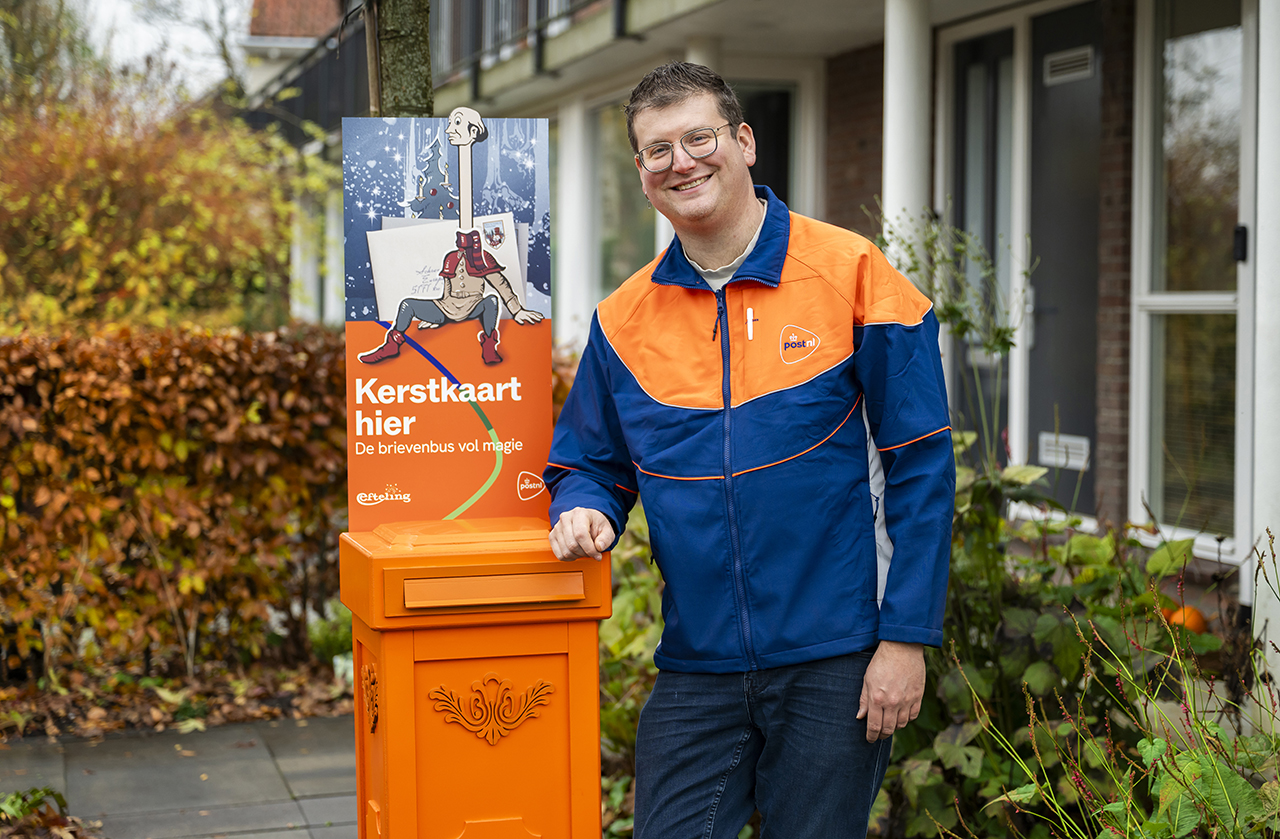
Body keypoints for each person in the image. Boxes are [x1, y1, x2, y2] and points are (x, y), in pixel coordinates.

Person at [544, 62, 954, 838]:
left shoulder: (853, 272)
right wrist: (584, 508)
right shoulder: (622, 320)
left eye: (699, 137)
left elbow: (923, 467)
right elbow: (588, 461)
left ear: (744, 142)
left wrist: (906, 639)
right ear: (641, 174)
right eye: (657, 149)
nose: (682, 161)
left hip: (836, 654)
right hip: (698, 661)